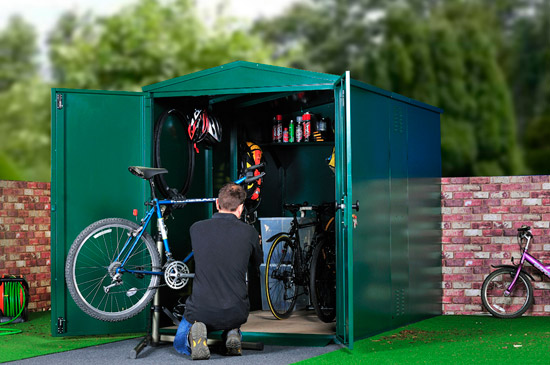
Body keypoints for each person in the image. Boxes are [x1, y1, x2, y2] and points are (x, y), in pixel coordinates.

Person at [173, 183, 263, 360]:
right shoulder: (250, 232)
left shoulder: (196, 228)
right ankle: (232, 332)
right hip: (236, 309)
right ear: (241, 208)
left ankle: (195, 335)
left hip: (200, 309)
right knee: (232, 315)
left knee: (179, 343)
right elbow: (257, 264)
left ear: (216, 203)